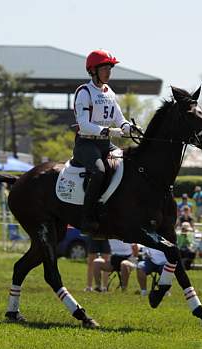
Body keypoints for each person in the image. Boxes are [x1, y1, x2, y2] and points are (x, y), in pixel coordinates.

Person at [72, 49, 137, 234]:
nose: (108, 72)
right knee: (99, 171)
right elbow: (83, 124)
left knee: (127, 164)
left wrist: (127, 127)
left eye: (110, 68)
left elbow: (119, 118)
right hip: (86, 144)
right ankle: (87, 216)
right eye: (105, 68)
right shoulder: (84, 92)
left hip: (104, 143)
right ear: (93, 70)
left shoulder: (110, 92)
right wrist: (108, 130)